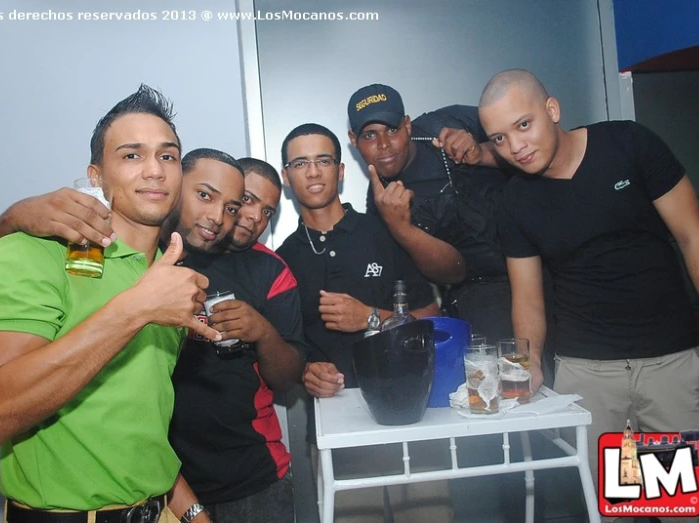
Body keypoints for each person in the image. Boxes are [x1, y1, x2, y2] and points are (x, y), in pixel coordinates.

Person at [0, 85, 217, 523]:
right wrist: (135, 309)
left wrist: (192, 511)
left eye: (168, 156)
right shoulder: (34, 254)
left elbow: (137, 421)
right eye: (132, 155)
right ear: (96, 176)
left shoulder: (169, 277)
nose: (155, 171)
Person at [478, 69, 699, 520]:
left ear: (552, 110)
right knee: (618, 511)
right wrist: (527, 366)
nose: (516, 147)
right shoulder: (514, 202)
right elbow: (527, 298)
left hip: (669, 365)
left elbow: (693, 236)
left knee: (683, 510)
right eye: (500, 139)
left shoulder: (628, 145)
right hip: (588, 375)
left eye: (523, 125)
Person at [166, 149, 308, 523]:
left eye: (267, 212)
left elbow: (288, 377)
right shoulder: (163, 256)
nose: (254, 217)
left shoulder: (271, 271)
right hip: (166, 477)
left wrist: (262, 331)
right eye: (245, 201)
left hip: (252, 474)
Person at [276, 123, 439, 395]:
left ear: (340, 171)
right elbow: (282, 349)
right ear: (286, 176)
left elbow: (433, 318)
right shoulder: (282, 260)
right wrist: (306, 371)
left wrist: (372, 317)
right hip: (331, 415)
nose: (313, 172)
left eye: (323, 161)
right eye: (301, 163)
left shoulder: (385, 234)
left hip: (404, 399)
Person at [347, 83, 514, 346]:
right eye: (369, 135)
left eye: (392, 130)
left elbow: (533, 144)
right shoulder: (381, 204)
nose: (384, 145)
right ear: (353, 140)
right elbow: (452, 274)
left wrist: (483, 150)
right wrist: (400, 227)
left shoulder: (446, 122)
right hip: (482, 294)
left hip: (539, 260)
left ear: (408, 125)